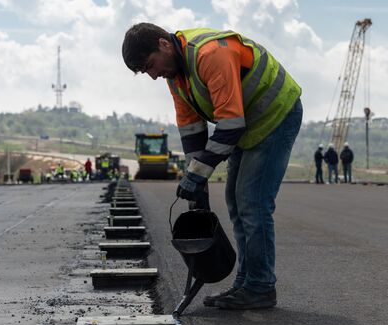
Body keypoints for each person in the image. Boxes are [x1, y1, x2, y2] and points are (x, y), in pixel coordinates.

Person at [122, 23, 302, 310]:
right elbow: (192, 132)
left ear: (164, 44)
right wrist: (198, 183)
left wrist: (197, 175)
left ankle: (261, 286)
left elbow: (230, 125)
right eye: (147, 72)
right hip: (247, 125)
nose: (154, 75)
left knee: (252, 203)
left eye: (151, 65)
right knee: (235, 201)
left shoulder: (209, 54)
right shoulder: (176, 78)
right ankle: (246, 282)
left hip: (275, 114)